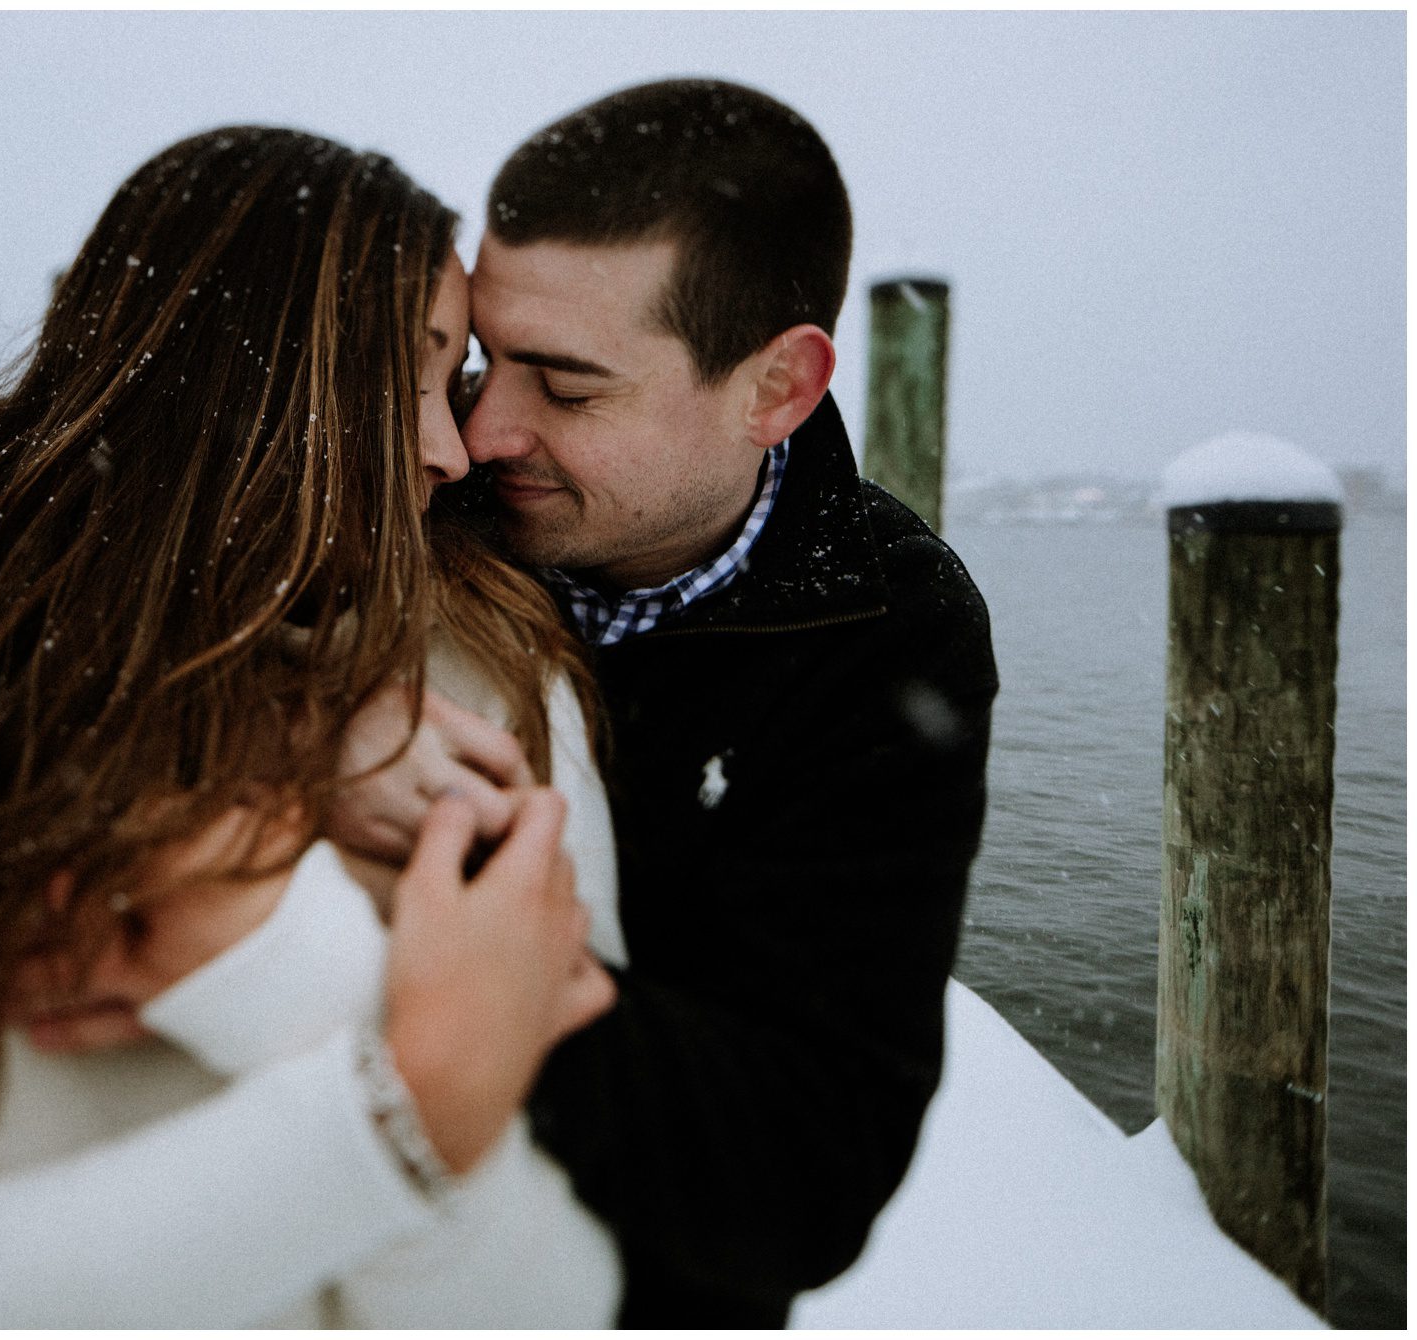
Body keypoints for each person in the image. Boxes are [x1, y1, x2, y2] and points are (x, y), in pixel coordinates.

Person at [0, 126, 622, 1328]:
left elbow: (555, 1300)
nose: (447, 450)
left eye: (447, 387)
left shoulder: (483, 677)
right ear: (231, 379)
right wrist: (394, 1117)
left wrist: (280, 965)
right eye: (402, 375)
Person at [331, 79, 1001, 1326]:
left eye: (568, 389)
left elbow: (803, 1174)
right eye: (484, 359)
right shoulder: (416, 472)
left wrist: (510, 969)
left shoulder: (881, 633)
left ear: (776, 389)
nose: (483, 431)